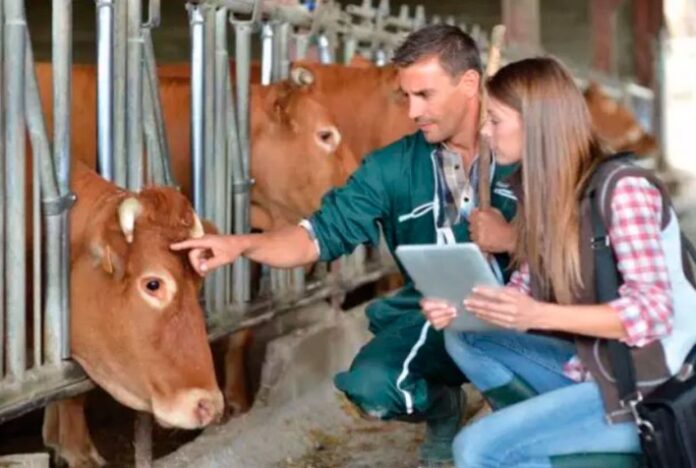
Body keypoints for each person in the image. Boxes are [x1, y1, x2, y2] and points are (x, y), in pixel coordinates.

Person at [172, 25, 519, 465]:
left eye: (424, 95)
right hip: (439, 315)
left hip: (528, 313)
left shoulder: (522, 149)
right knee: (371, 387)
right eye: (404, 97)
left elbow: (578, 238)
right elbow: (317, 235)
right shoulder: (392, 167)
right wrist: (239, 245)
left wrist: (511, 238)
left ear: (469, 84)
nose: (412, 111)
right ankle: (443, 406)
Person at [422, 56, 696, 467]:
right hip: (595, 367)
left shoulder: (623, 190)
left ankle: (555, 445)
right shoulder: (543, 196)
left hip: (652, 389)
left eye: (495, 119)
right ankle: (543, 441)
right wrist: (463, 306)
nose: (485, 131)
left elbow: (652, 312)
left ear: (535, 124)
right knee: (466, 338)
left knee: (476, 448)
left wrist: (538, 313)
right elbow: (521, 296)